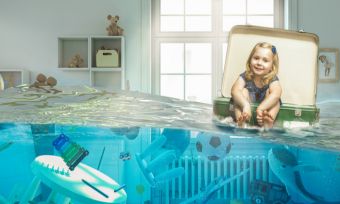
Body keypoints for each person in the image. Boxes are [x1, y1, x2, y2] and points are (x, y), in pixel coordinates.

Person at [231, 42, 282, 128]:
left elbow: (277, 93)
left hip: (265, 110)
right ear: (250, 60)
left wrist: (261, 108)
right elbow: (234, 91)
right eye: (256, 58)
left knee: (275, 98)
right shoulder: (246, 75)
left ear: (272, 66)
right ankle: (241, 121)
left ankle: (268, 121)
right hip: (246, 109)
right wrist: (245, 105)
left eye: (265, 60)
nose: (259, 63)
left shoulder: (272, 78)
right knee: (242, 92)